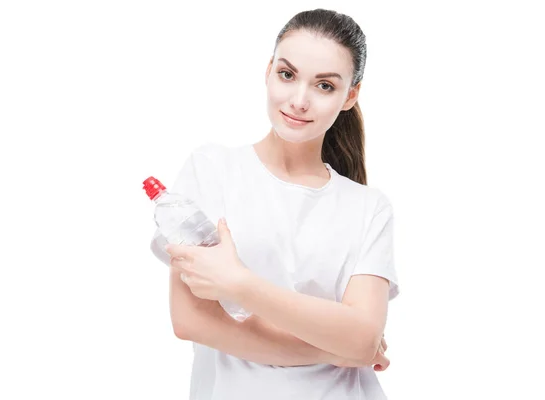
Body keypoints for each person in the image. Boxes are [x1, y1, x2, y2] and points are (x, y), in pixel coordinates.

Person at [150, 8, 399, 400]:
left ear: (351, 95)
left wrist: (240, 285)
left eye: (325, 86)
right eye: (288, 74)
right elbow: (191, 321)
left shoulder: (368, 207)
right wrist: (331, 347)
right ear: (268, 71)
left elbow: (364, 337)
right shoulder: (213, 170)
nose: (299, 100)